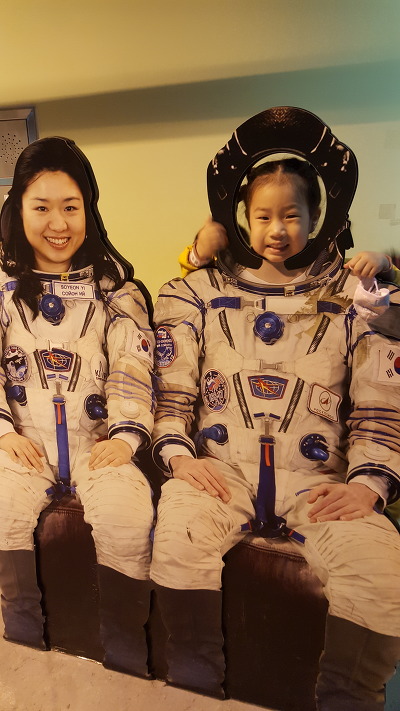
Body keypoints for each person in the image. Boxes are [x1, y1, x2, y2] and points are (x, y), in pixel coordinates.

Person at [150, 109, 400, 711]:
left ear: (317, 217)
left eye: (292, 215)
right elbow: (172, 394)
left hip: (318, 484)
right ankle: (194, 686)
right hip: (221, 473)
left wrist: (368, 484)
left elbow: (381, 409)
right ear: (243, 217)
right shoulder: (200, 292)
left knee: (382, 577)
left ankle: (348, 698)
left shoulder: (355, 300)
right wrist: (179, 458)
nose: (278, 229)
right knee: (178, 540)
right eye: (263, 216)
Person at [0, 137, 155, 678]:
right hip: (23, 444)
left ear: (89, 209)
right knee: (2, 509)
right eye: (41, 208)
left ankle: (126, 652)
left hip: (98, 446)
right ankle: (23, 641)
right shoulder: (3, 290)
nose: (58, 224)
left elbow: (133, 368)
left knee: (128, 517)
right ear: (18, 211)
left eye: (70, 207)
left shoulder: (117, 291)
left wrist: (126, 436)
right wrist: (2, 432)